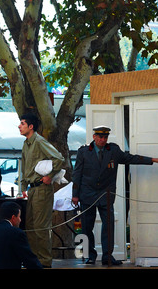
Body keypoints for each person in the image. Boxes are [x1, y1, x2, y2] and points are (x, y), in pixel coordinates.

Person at [72, 125, 158, 266]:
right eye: (100, 137)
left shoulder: (113, 150)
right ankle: (90, 256)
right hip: (87, 194)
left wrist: (152, 160)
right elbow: (77, 174)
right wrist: (75, 195)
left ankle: (107, 256)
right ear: (94, 137)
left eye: (105, 137)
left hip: (106, 194)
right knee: (87, 227)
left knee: (109, 226)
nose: (103, 140)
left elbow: (131, 158)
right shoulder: (84, 151)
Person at [19, 113, 64, 268]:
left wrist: (50, 176)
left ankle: (44, 261)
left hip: (42, 189)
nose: (19, 126)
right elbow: (24, 167)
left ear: (31, 127)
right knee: (30, 227)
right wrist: (23, 187)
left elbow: (59, 158)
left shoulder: (39, 141)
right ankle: (34, 260)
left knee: (41, 227)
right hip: (32, 189)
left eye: (22, 123)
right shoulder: (26, 143)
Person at [0, 202, 42, 269]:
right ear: (13, 218)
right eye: (19, 217)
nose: (20, 220)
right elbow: (29, 260)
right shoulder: (16, 233)